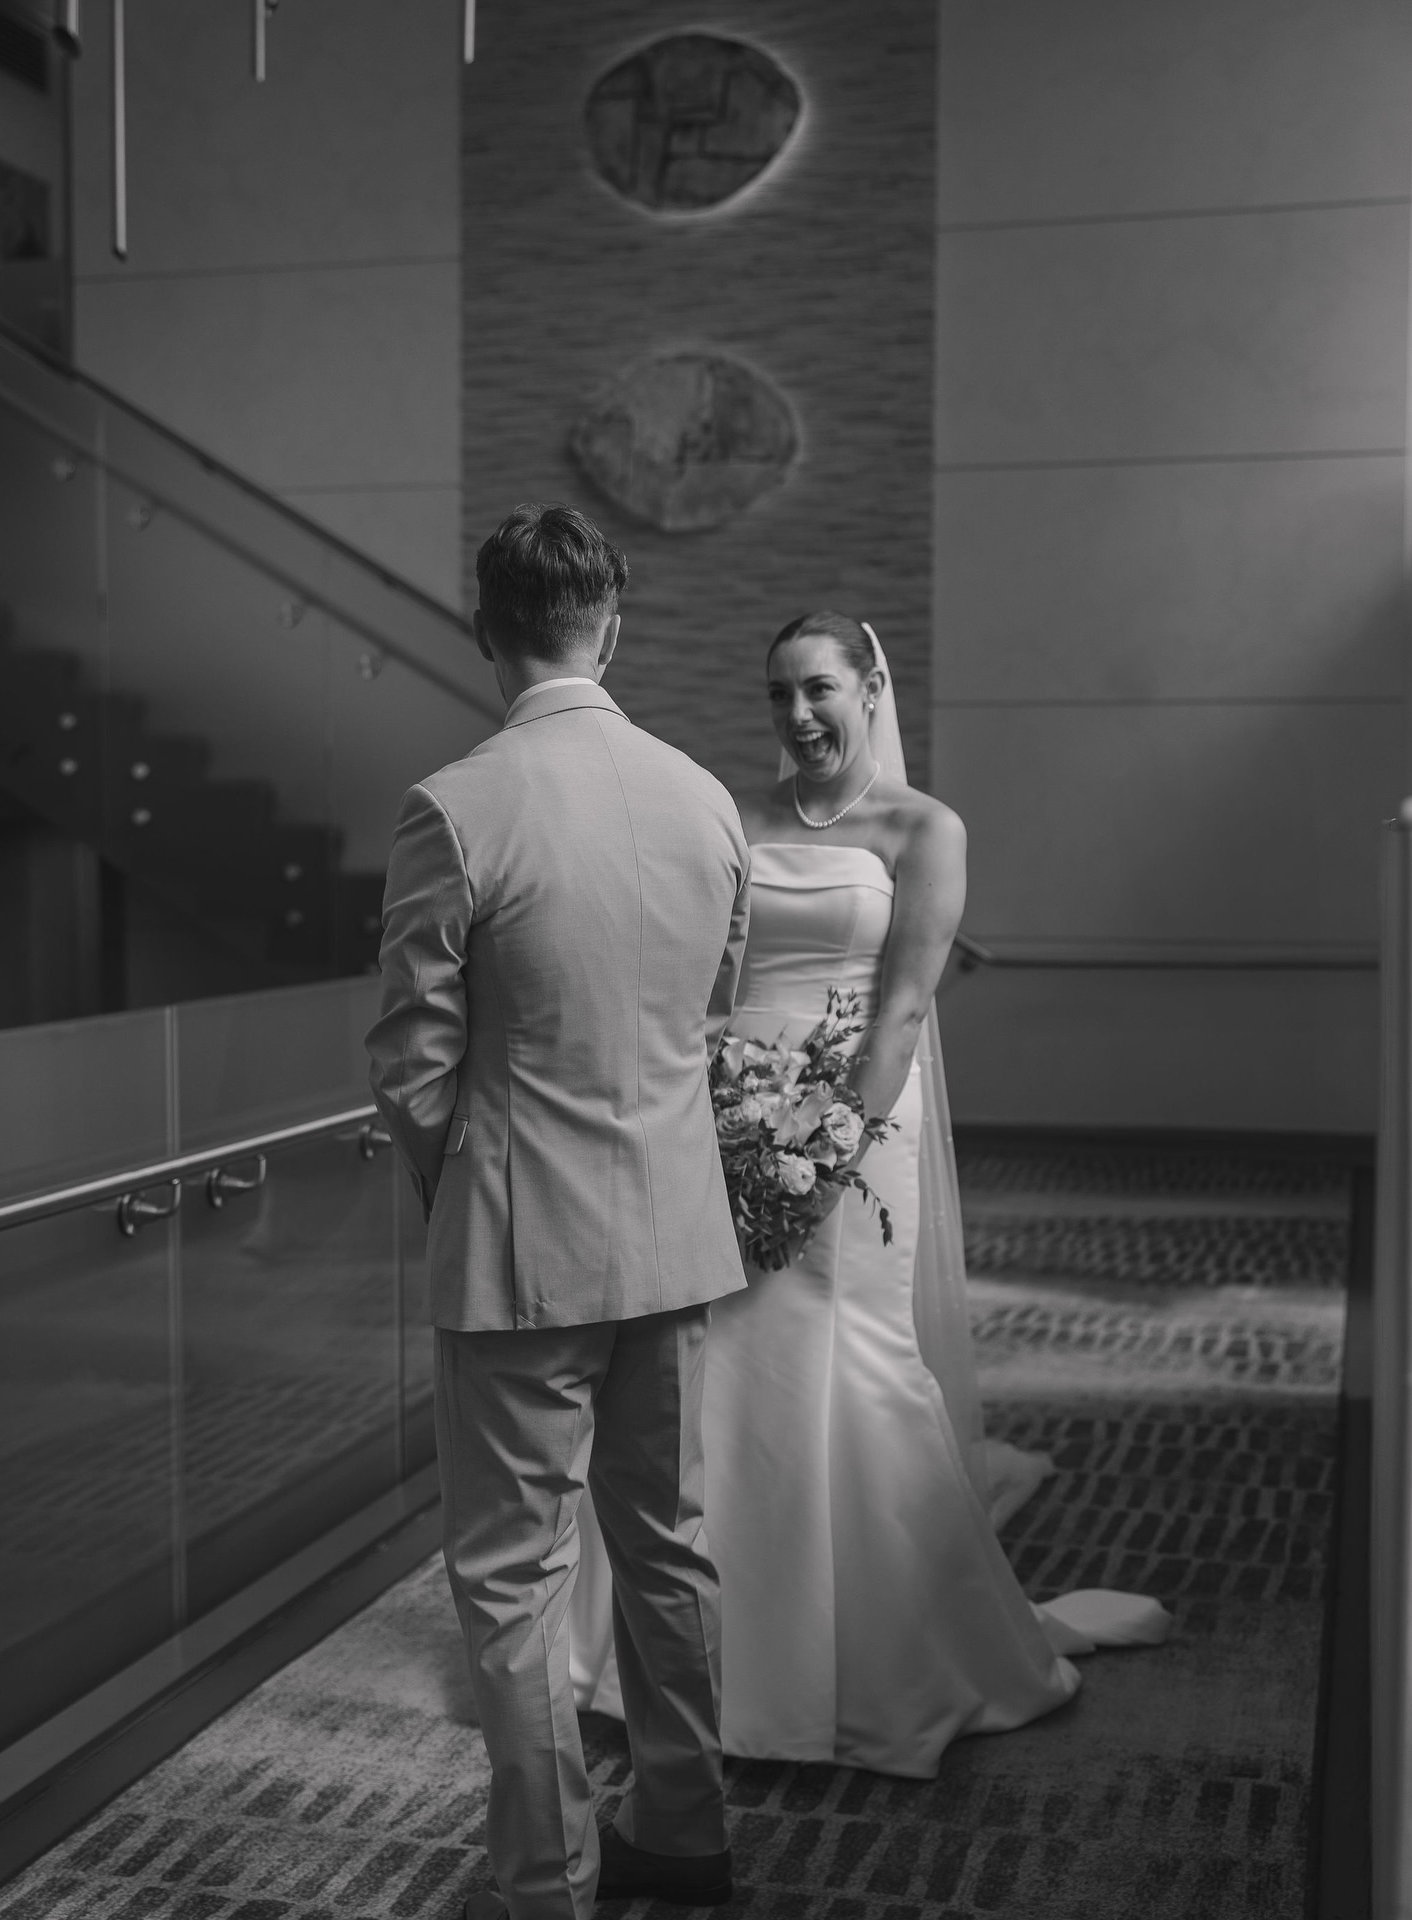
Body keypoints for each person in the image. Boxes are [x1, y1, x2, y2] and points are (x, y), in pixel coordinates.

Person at [570, 610, 1167, 1777]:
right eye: (780, 694)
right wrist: (717, 1108)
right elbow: (698, 974)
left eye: (820, 690)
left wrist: (830, 1142)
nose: (798, 715)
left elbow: (900, 1004)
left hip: (855, 1121)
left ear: (871, 687)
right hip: (731, 1112)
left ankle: (877, 1661)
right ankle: (694, 1659)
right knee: (713, 1369)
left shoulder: (925, 829)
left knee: (847, 1357)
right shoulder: (737, 815)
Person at [366, 504, 752, 1920]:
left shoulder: (457, 805)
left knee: (514, 1584)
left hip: (521, 1252)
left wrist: (467, 1189)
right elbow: (708, 1018)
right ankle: (688, 1827)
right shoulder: (704, 795)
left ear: (488, 631)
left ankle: (542, 1881)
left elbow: (411, 1060)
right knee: (666, 1545)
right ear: (614, 620)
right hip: (671, 1234)